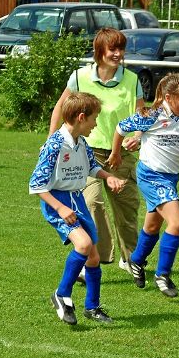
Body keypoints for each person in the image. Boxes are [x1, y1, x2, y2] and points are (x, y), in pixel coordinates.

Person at [49, 28, 144, 273]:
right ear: (99, 50)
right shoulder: (80, 77)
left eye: (121, 49)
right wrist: (51, 140)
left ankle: (131, 259)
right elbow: (60, 107)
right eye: (112, 49)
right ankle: (96, 257)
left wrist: (137, 136)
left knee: (127, 209)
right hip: (85, 152)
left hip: (120, 154)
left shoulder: (132, 80)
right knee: (91, 203)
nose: (117, 54)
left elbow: (141, 116)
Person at [30, 92, 126, 325]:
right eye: (94, 118)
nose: (95, 124)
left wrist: (108, 177)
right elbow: (36, 184)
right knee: (83, 245)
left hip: (77, 201)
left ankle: (92, 307)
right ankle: (62, 294)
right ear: (81, 117)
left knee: (93, 257)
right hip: (58, 202)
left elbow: (92, 167)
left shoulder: (81, 143)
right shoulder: (54, 145)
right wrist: (61, 209)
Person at [111, 73, 179, 298]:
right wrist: (116, 153)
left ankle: (136, 261)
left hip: (170, 178)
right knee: (177, 222)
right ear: (169, 97)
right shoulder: (152, 116)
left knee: (152, 227)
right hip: (151, 175)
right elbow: (121, 127)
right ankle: (163, 275)